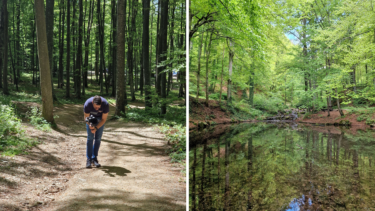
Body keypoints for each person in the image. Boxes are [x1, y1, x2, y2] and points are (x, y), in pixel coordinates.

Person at [83, 95, 109, 168]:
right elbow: (86, 118)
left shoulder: (105, 104)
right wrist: (91, 126)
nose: (97, 109)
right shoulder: (87, 104)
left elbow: (103, 119)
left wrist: (96, 128)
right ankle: (88, 159)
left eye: (98, 107)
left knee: (98, 138)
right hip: (91, 119)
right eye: (95, 107)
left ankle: (94, 158)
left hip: (100, 120)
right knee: (90, 138)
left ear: (101, 103)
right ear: (92, 103)